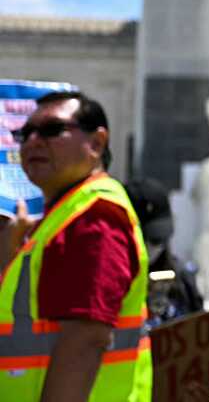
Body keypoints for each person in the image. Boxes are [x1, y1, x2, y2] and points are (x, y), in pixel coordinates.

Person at [0, 91, 151, 401]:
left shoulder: (94, 218)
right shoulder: (61, 218)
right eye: (24, 133)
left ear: (96, 143)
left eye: (52, 130)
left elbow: (85, 341)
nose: (33, 141)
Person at [124, 176, 204, 327]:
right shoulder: (110, 280)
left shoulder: (182, 278)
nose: (152, 247)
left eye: (159, 240)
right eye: (144, 239)